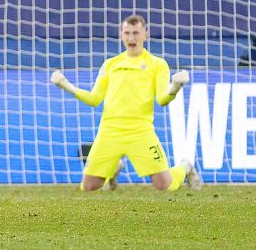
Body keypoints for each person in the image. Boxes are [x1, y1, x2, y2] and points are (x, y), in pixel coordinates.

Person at [51, 14, 202, 191]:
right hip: (110, 131)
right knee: (88, 187)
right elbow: (94, 99)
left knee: (164, 185)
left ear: (145, 34)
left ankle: (186, 167)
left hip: (140, 131)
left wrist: (175, 86)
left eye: (136, 33)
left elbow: (162, 99)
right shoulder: (110, 64)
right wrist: (65, 85)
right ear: (121, 35)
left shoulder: (158, 64)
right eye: (127, 33)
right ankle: (112, 170)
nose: (131, 38)